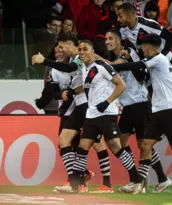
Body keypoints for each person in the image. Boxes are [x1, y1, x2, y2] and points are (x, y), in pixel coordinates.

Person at [45, 40, 144, 194]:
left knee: (115, 147)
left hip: (106, 113)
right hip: (91, 115)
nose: (82, 52)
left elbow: (121, 85)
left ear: (92, 52)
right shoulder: (85, 69)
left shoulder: (102, 66)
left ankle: (137, 180)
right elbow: (85, 87)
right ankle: (74, 185)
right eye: (80, 50)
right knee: (82, 149)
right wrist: (71, 92)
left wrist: (107, 102)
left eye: (85, 49)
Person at [112, 33, 172, 194]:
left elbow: (136, 66)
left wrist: (112, 67)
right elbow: (141, 73)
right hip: (158, 109)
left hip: (170, 109)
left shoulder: (159, 59)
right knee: (146, 145)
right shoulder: (155, 63)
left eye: (143, 48)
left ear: (149, 47)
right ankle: (141, 184)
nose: (142, 50)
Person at [32, 33, 114, 194]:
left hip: (88, 105)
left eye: (62, 47)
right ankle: (81, 180)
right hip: (73, 107)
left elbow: (74, 71)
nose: (59, 51)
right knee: (74, 144)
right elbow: (55, 90)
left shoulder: (79, 58)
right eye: (57, 48)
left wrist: (44, 61)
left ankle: (80, 182)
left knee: (91, 143)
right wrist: (61, 94)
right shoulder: (58, 68)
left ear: (71, 45)